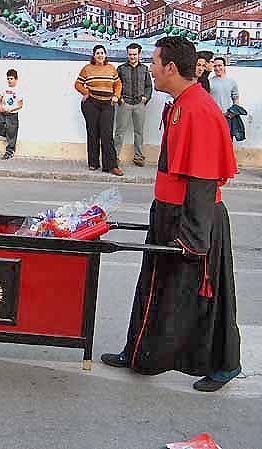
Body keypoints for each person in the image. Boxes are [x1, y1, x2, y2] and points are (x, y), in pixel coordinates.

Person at [101, 37, 241, 393]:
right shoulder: (181, 103)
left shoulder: (199, 109)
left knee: (210, 297)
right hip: (169, 212)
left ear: (171, 68)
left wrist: (194, 236)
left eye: (154, 61)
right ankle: (140, 354)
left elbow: (204, 177)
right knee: (154, 285)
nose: (151, 67)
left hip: (194, 217)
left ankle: (225, 365)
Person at [75, 45, 123, 176]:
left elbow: (118, 84)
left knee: (107, 135)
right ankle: (93, 162)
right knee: (93, 133)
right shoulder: (87, 69)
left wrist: (116, 96)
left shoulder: (111, 68)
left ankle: (111, 166)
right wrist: (86, 92)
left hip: (108, 104)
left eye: (102, 53)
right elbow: (78, 84)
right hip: (91, 104)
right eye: (97, 53)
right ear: (94, 55)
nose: (100, 55)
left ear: (105, 55)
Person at [114, 43, 153, 167]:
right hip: (124, 104)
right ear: (127, 54)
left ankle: (138, 157)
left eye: (134, 54)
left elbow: (148, 86)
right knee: (120, 132)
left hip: (139, 104)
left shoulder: (144, 69)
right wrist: (120, 99)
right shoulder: (120, 69)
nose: (132, 57)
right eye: (130, 54)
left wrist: (145, 98)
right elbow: (115, 85)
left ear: (139, 54)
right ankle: (114, 157)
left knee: (139, 132)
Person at [0, 69, 24, 160]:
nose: (9, 80)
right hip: (3, 112)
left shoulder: (18, 90)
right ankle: (5, 132)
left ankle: (10, 151)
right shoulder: (4, 88)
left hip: (12, 114)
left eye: (11, 78)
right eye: (8, 78)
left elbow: (20, 105)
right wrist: (0, 107)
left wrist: (12, 109)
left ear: (16, 79)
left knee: (12, 132)